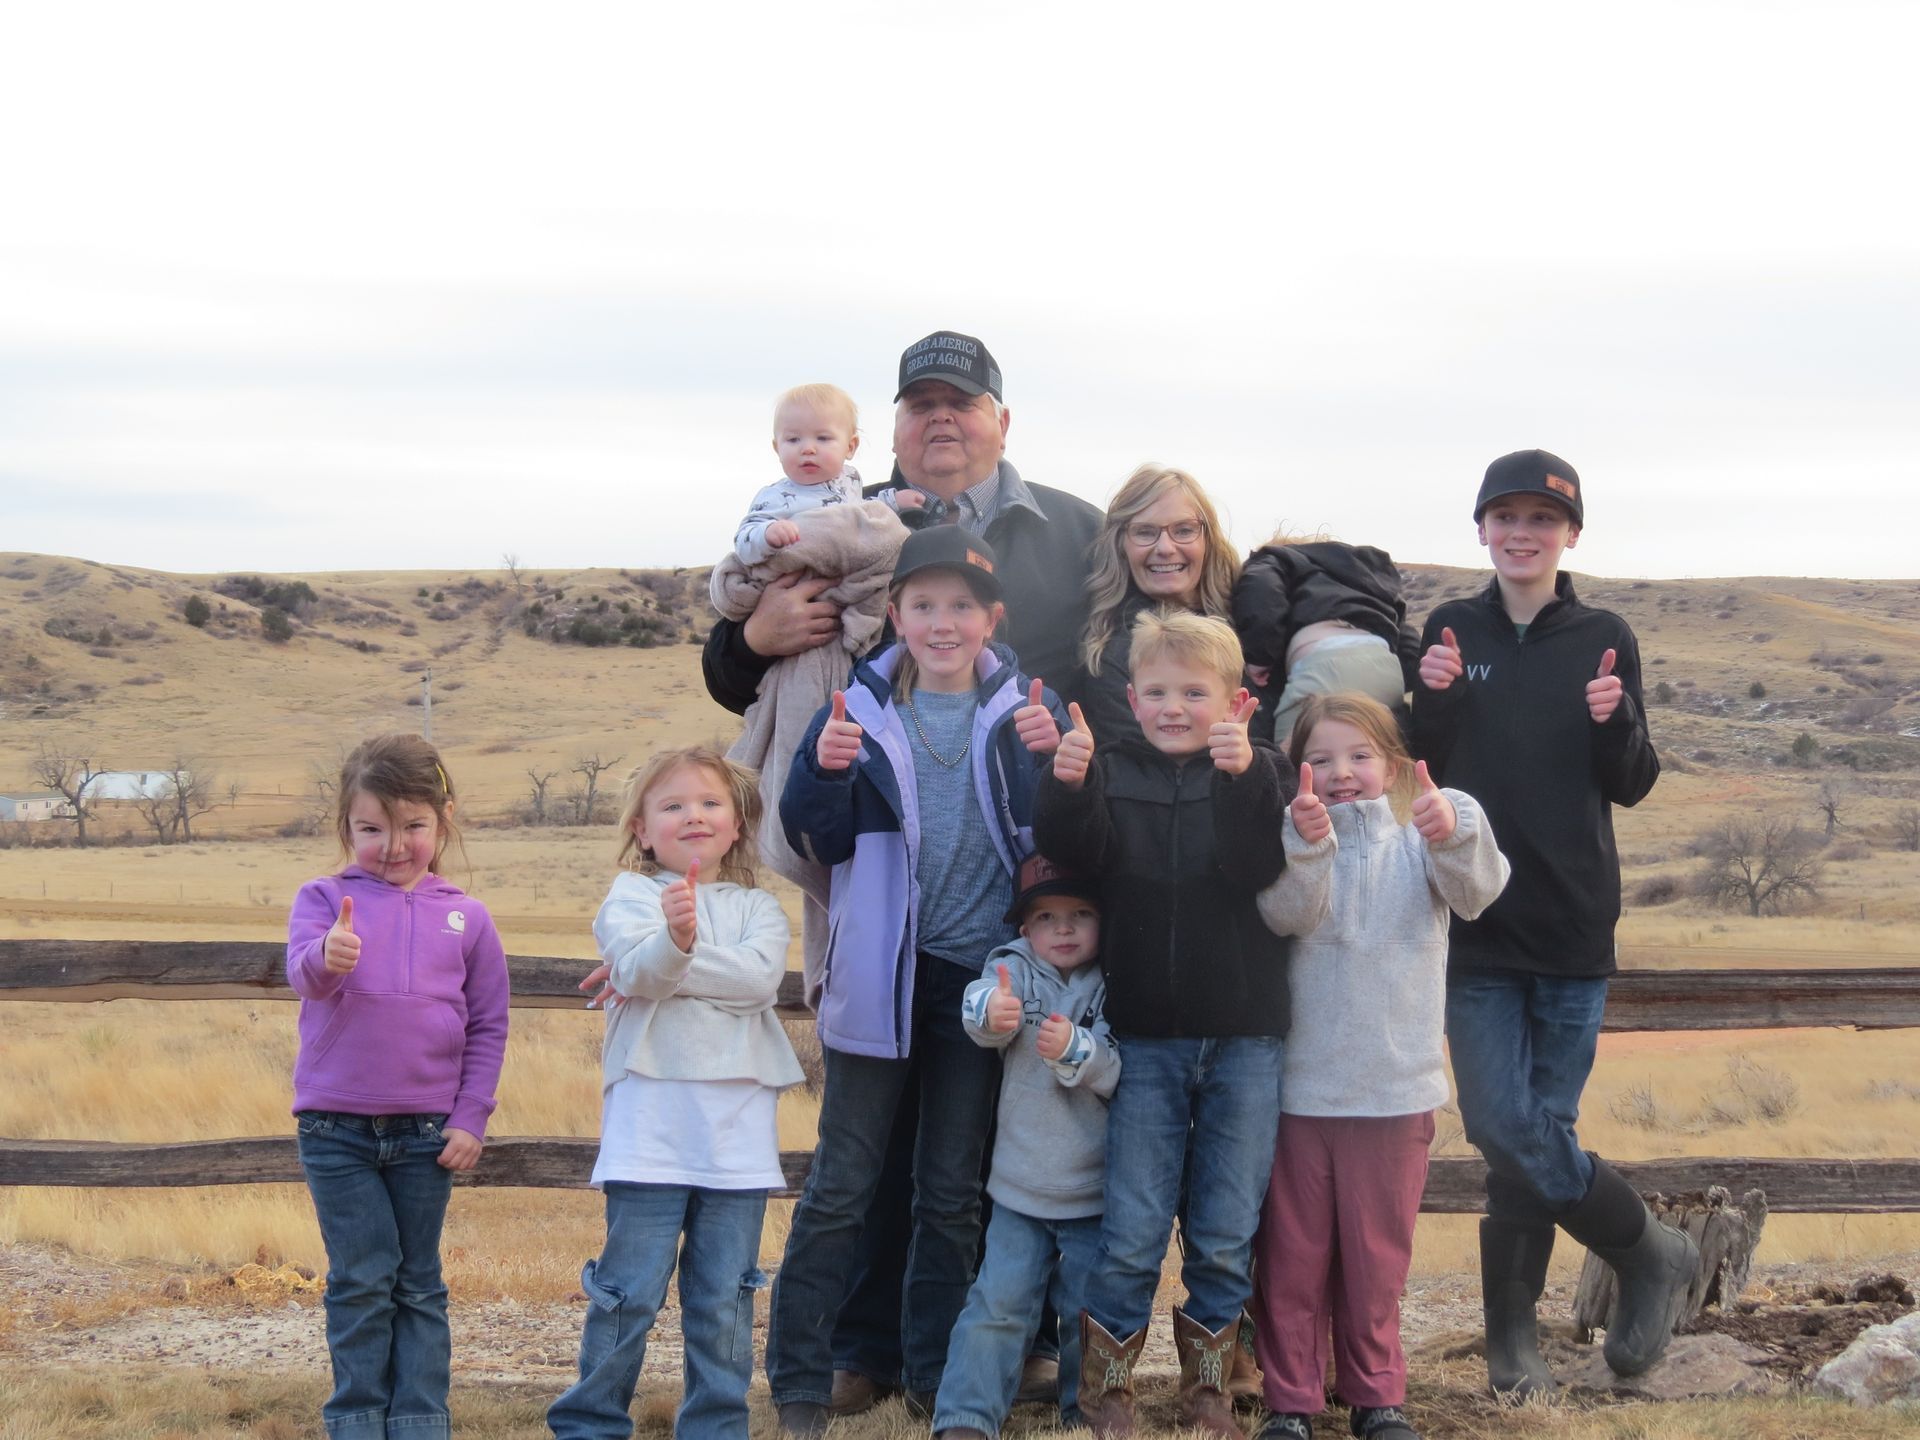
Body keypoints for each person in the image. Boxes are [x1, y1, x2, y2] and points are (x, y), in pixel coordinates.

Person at [705, 330, 1103, 1413]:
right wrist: (757, 636)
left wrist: (1071, 763)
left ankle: (956, 1366)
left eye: (960, 404)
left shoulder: (1072, 533)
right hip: (874, 942)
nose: (941, 421)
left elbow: (1112, 690)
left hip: (996, 957)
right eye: (919, 404)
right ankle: (832, 1359)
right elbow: (733, 673)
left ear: (1000, 420)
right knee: (852, 1174)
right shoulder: (846, 524)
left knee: (962, 1179)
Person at [769, 526, 1066, 1438]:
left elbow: (1054, 841)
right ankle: (802, 1375)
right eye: (926, 605)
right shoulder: (854, 713)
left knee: (948, 1192)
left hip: (978, 986)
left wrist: (1064, 767)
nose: (944, 623)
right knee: (843, 1182)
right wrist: (820, 779)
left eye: (963, 607)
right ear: (895, 613)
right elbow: (811, 835)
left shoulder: (1023, 712)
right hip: (880, 977)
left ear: (992, 618)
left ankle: (936, 1377)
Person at [1412, 449, 1691, 1396]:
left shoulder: (1602, 634)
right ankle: (1647, 1247)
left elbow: (1634, 782)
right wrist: (1433, 702)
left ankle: (1512, 1346)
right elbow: (1423, 771)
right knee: (1499, 1123)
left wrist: (1616, 722)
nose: (1522, 533)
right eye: (1506, 516)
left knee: (1540, 1133)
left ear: (1570, 532)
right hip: (1478, 924)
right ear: (1482, 529)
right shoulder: (1451, 627)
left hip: (1574, 926)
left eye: (1543, 517)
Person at [1035, 609, 1292, 1439]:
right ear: (1132, 698)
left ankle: (1208, 1389)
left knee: (1223, 1229)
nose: (1173, 706)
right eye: (1156, 691)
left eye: (1193, 691)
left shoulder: (1264, 770)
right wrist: (1068, 783)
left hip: (1246, 1037)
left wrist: (1244, 775)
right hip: (1144, 1038)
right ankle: (1105, 1394)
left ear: (1232, 698)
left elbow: (1262, 867)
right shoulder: (1109, 770)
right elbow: (1078, 856)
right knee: (1133, 1226)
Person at [1249, 694, 1510, 1440]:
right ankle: (1291, 1402)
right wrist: (1306, 846)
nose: (1341, 774)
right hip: (1302, 1092)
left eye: (1359, 756)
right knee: (1293, 1261)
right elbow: (1285, 915)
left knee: (1376, 1261)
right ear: (1297, 769)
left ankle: (1377, 1398)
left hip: (1396, 1093)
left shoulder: (1421, 838)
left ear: (1392, 766)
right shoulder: (1291, 839)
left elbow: (1479, 892)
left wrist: (1456, 828)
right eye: (1321, 759)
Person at [547, 747, 804, 1440]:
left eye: (710, 803)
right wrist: (665, 948)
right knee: (627, 1294)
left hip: (738, 1141)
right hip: (650, 1135)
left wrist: (669, 958)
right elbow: (637, 967)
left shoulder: (760, 910)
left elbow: (756, 983)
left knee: (724, 1297)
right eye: (673, 805)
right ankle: (591, 1423)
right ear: (641, 828)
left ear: (738, 826)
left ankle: (716, 1426)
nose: (694, 815)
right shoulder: (629, 898)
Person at [286, 733, 509, 1440]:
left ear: (443, 820)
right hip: (335, 1129)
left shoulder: (468, 917)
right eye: (372, 828)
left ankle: (418, 1417)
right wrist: (329, 955)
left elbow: (489, 1026)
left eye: (413, 825)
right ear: (347, 828)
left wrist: (470, 1115)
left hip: (425, 1133)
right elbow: (303, 973)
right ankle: (355, 1417)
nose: (393, 844)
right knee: (359, 1279)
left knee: (417, 1281)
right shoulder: (323, 898)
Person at [933, 854, 1118, 1440]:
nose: (1062, 929)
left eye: (1080, 914)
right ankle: (966, 1414)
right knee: (998, 1304)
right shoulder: (1011, 968)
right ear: (1024, 929)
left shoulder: (1117, 982)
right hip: (1019, 1185)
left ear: (1103, 921)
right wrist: (991, 1011)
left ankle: (1085, 1411)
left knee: (1087, 1315)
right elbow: (980, 1010)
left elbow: (1121, 1072)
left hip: (1093, 1186)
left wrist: (1079, 1049)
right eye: (1046, 917)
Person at [1077, 464, 1242, 742]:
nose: (1165, 548)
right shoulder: (1114, 656)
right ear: (1121, 545)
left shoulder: (1254, 624)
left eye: (1184, 530)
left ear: (1208, 539)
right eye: (1145, 532)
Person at [1231, 532, 1421, 744]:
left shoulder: (1276, 559)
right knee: (1379, 751)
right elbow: (1407, 639)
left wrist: (1259, 656)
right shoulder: (1369, 581)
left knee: (1288, 756)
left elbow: (1261, 592)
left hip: (1325, 665)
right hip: (1386, 671)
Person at [733, 382, 873, 564]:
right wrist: (767, 533)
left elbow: (864, 512)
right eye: (793, 440)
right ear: (777, 449)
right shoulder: (776, 496)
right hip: (802, 571)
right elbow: (743, 543)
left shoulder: (850, 479)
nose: (807, 449)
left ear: (850, 446)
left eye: (823, 438)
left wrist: (892, 502)